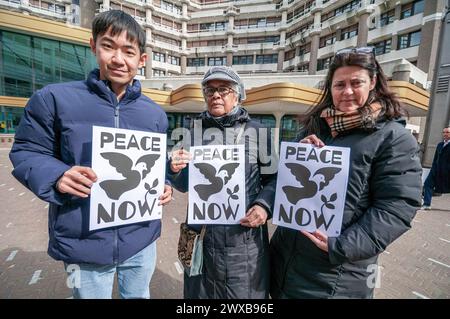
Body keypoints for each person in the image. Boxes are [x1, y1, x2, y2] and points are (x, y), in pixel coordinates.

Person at [9, 10, 172, 299]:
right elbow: (27, 151)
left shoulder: (155, 114)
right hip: (82, 239)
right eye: (109, 46)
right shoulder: (53, 99)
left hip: (141, 238)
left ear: (141, 60)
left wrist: (164, 186)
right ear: (93, 46)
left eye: (129, 51)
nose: (118, 59)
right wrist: (57, 176)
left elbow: (154, 166)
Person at [270, 47, 422, 298]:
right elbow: (283, 188)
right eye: (339, 84)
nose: (347, 91)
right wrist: (296, 158)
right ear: (330, 88)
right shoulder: (315, 128)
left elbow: (397, 206)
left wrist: (341, 246)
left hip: (335, 277)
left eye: (356, 82)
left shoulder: (393, 138)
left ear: (373, 82)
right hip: (285, 264)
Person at [168, 66, 277, 298]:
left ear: (237, 95)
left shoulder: (258, 132)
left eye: (223, 89)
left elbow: (275, 179)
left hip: (243, 242)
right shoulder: (193, 132)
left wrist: (264, 206)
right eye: (209, 90)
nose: (215, 95)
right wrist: (175, 170)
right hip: (202, 239)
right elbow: (184, 184)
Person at [422, 126, 450, 210]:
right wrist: (433, 167)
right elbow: (435, 158)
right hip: (436, 170)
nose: (445, 134)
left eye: (447, 132)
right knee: (427, 184)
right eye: (444, 132)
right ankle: (426, 204)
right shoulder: (440, 145)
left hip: (447, 172)